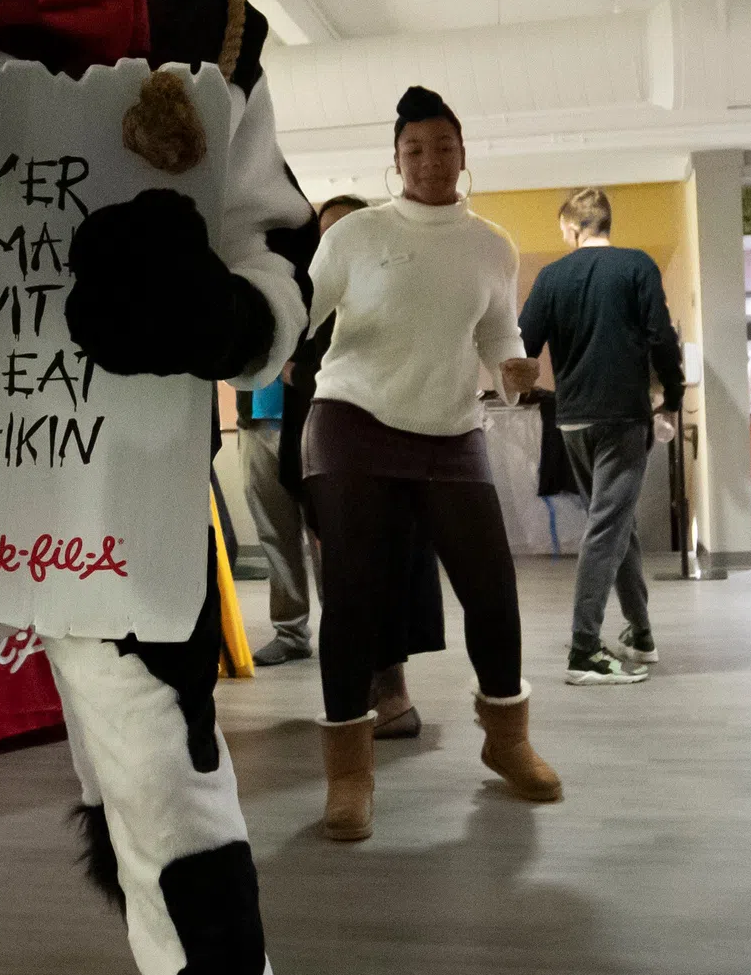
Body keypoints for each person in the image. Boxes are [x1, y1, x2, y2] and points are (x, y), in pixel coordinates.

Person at [302, 86, 561, 841]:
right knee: (353, 597)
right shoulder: (357, 235)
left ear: (463, 155)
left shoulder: (492, 244)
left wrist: (511, 365)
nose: (429, 162)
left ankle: (507, 740)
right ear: (396, 161)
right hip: (352, 419)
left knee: (492, 589)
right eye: (414, 150)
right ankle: (349, 772)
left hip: (450, 430)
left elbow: (497, 330)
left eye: (442, 147)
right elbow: (302, 311)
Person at [280, 195, 447, 736]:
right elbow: (301, 409)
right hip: (332, 477)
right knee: (350, 596)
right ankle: (367, 702)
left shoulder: (391, 305)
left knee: (382, 587)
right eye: (329, 235)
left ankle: (391, 700)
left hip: (392, 473)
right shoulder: (316, 312)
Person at [518, 185, 683, 684]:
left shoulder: (552, 276)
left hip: (571, 420)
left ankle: (641, 631)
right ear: (605, 223)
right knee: (608, 526)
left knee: (615, 521)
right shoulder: (638, 265)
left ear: (571, 228)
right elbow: (661, 337)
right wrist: (671, 398)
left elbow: (523, 344)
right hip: (624, 417)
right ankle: (585, 650)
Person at [236, 370, 314, 666]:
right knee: (273, 534)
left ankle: (345, 630)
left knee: (327, 536)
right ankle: (290, 634)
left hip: (311, 417)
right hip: (254, 422)